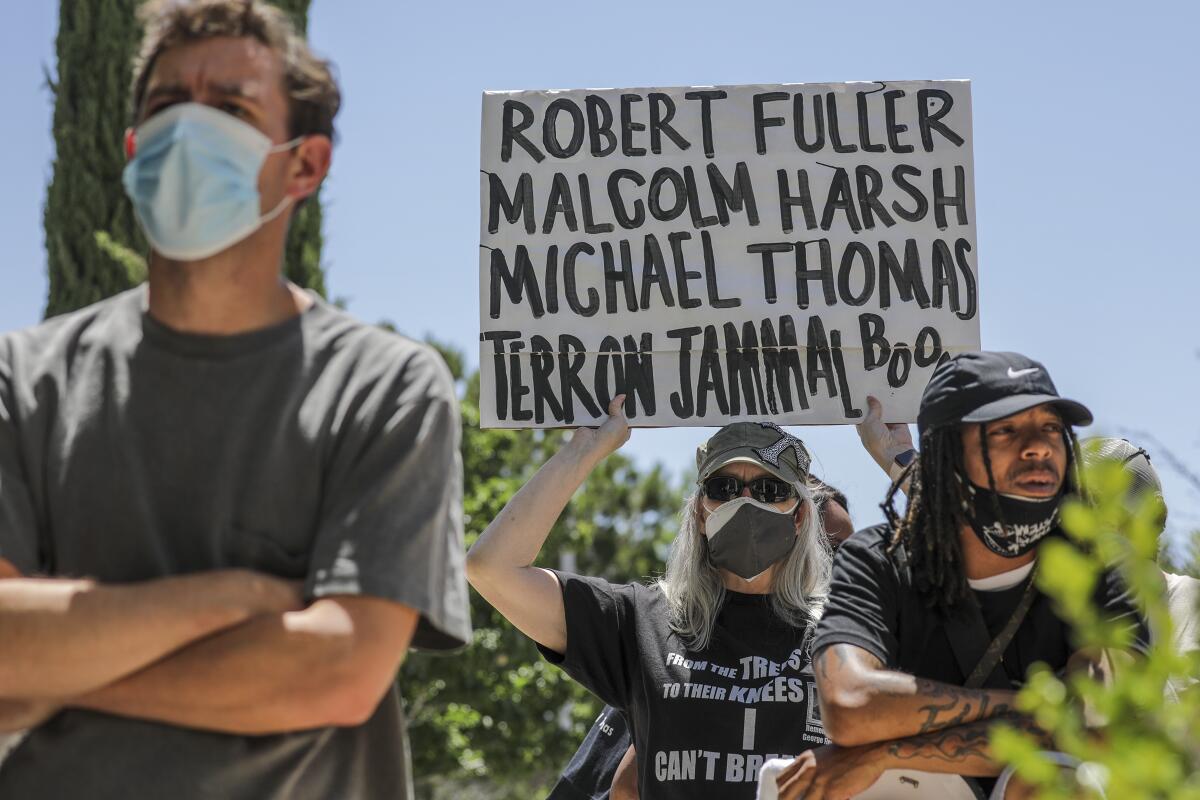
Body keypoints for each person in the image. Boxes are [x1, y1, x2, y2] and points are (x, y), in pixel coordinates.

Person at [0, 2, 470, 797]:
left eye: (230, 109)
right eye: (166, 106)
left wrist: (58, 672)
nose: (189, 129)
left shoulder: (384, 386)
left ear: (304, 166)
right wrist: (235, 599)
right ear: (132, 149)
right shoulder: (24, 377)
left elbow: (338, 673)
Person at [778, 351, 1149, 799]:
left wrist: (881, 754)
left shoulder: (1102, 567)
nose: (1038, 448)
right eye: (1005, 431)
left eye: (1050, 427)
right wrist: (1043, 709)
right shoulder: (877, 557)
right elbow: (851, 706)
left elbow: (1100, 728)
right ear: (945, 456)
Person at [468, 400, 838, 799]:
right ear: (700, 512)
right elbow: (491, 568)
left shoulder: (840, 637)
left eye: (770, 490)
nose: (745, 503)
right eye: (723, 488)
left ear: (799, 517)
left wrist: (900, 462)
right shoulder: (642, 621)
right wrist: (585, 448)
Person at [544, 482, 854, 800]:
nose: (845, 566)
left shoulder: (821, 646)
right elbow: (625, 788)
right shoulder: (688, 649)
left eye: (852, 553)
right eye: (833, 549)